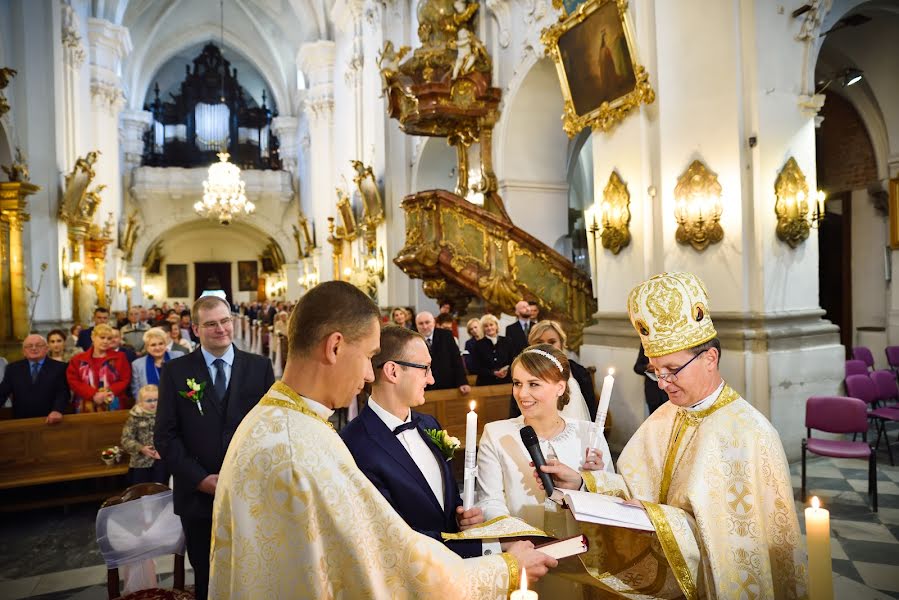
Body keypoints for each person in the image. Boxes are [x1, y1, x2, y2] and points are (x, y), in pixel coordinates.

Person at [209, 281, 556, 598]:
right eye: (367, 356)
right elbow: (384, 560)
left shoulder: (274, 421)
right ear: (335, 347)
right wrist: (503, 568)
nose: (366, 374)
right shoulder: (300, 446)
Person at [536, 272, 807, 598]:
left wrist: (654, 517)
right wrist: (582, 484)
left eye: (672, 370)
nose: (662, 383)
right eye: (655, 370)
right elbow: (633, 488)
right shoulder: (664, 416)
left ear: (710, 358)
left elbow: (733, 550)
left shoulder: (751, 435)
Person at [154, 294, 275, 600]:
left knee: (253, 572)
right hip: (198, 497)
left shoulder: (259, 367)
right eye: (211, 324)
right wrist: (199, 479)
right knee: (208, 577)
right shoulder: (177, 371)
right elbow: (165, 436)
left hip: (249, 492)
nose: (221, 329)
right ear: (195, 329)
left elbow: (269, 429)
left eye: (225, 321)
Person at [341, 325, 493, 558]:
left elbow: (443, 498)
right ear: (392, 372)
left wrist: (460, 516)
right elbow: (394, 538)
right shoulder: (354, 445)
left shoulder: (429, 424)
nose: (431, 379)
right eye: (425, 368)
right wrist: (486, 549)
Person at [476, 343, 611, 598]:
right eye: (517, 383)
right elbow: (489, 500)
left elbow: (612, 503)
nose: (522, 393)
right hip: (524, 556)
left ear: (560, 387)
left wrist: (590, 481)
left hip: (580, 556)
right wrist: (521, 547)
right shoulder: (496, 433)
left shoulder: (589, 435)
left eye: (534, 384)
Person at [508, 321, 596, 421]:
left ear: (562, 343)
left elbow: (591, 409)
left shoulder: (580, 372)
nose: (546, 347)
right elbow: (516, 411)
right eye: (539, 342)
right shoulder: (523, 374)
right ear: (531, 345)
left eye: (552, 342)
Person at [0, 334, 70, 421]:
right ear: (23, 351)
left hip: (50, 420)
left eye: (38, 345)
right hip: (21, 421)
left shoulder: (61, 367)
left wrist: (57, 410)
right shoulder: (13, 368)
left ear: (46, 348)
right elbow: (2, 392)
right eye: (29, 346)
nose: (33, 348)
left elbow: (63, 393)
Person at [67, 324, 132, 412]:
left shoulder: (120, 357)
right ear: (93, 337)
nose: (105, 341)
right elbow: (73, 381)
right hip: (85, 405)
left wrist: (107, 392)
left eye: (109, 338)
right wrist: (93, 395)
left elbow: (125, 379)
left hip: (113, 403)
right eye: (102, 337)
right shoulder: (78, 359)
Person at [121, 384, 169, 485]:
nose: (153, 404)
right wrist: (141, 448)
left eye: (156, 400)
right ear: (140, 402)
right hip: (140, 463)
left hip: (162, 461)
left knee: (162, 491)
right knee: (142, 493)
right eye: (149, 400)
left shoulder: (165, 415)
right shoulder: (135, 417)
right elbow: (126, 439)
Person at [415, 311, 470, 394]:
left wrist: (463, 382)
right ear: (416, 325)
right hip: (423, 387)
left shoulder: (446, 335)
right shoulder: (412, 339)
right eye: (421, 323)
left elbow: (456, 360)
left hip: (446, 384)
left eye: (427, 322)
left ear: (433, 322)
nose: (425, 326)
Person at [131, 328, 185, 400]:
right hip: (151, 406)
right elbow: (136, 391)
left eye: (161, 343)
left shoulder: (178, 356)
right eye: (153, 345)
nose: (157, 348)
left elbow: (186, 382)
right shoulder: (137, 364)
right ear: (147, 347)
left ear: (165, 344)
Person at [470, 314, 513, 385]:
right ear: (483, 328)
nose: (489, 328)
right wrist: (493, 372)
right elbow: (475, 367)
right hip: (486, 382)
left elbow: (513, 359)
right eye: (486, 326)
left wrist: (507, 368)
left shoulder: (507, 341)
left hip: (506, 381)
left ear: (496, 326)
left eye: (491, 325)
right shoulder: (478, 345)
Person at [634, 344, 667, 414]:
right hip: (653, 393)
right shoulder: (646, 342)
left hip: (668, 392)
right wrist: (647, 367)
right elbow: (637, 367)